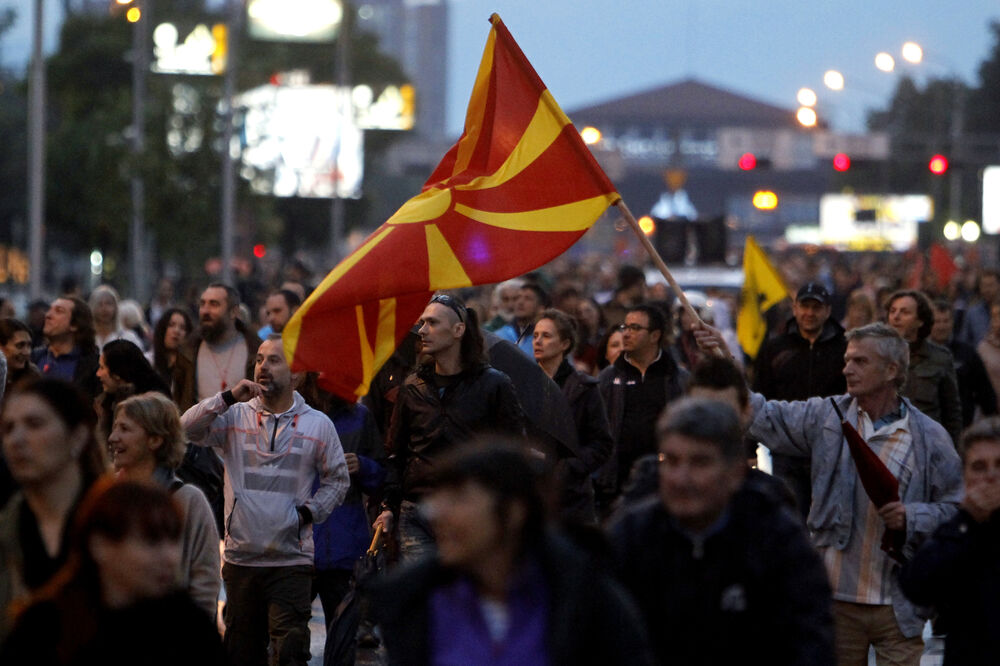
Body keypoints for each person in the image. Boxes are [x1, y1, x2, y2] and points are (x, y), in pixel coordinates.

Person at [696, 321, 962, 665]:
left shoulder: (929, 437)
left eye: (860, 361)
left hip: (899, 605)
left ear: (892, 370)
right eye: (847, 359)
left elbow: (957, 508)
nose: (846, 368)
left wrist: (913, 517)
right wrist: (724, 360)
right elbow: (761, 415)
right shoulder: (828, 416)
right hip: (836, 600)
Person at [368, 439, 656, 666]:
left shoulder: (587, 599)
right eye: (439, 499)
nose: (438, 514)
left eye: (460, 499)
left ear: (514, 511)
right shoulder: (415, 598)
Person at [609, 398, 835, 665]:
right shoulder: (631, 536)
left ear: (735, 472)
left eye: (700, 462)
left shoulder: (776, 539)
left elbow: (810, 641)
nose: (682, 478)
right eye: (671, 461)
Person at [181, 334, 349, 666]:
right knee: (241, 653)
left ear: (297, 374)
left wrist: (306, 514)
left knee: (289, 652)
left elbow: (338, 479)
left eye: (274, 360)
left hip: (290, 561)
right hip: (241, 560)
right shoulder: (234, 417)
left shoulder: (318, 424)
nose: (263, 367)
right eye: (259, 359)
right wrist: (226, 398)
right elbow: (183, 430)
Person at [0, 479, 226, 666]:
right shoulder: (44, 628)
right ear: (100, 545)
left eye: (174, 538)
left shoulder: (188, 627)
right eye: (151, 540)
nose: (169, 556)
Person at [375, 293, 525, 561]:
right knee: (423, 596)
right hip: (418, 510)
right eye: (422, 323)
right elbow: (396, 451)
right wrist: (388, 505)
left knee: (463, 593)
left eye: (432, 323)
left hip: (471, 510)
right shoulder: (413, 387)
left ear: (458, 330)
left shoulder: (493, 385)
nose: (422, 330)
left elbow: (512, 449)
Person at [0, 378, 108, 644]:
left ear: (78, 436)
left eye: (34, 424)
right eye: (8, 428)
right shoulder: (8, 529)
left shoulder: (120, 521)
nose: (17, 439)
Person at [107, 392, 220, 619]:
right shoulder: (105, 494)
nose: (112, 437)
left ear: (155, 440)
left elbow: (205, 582)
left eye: (125, 429)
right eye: (115, 427)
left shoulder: (188, 501)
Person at [899, 417, 1000, 666]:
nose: (991, 477)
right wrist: (966, 521)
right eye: (978, 467)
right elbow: (916, 585)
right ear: (965, 476)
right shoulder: (959, 529)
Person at [753, 282, 847, 518]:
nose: (809, 313)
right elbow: (759, 396)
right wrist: (749, 448)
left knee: (828, 519)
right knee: (790, 516)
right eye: (804, 306)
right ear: (794, 308)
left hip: (831, 449)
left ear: (827, 311)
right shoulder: (775, 349)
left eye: (816, 308)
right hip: (786, 450)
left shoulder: (845, 350)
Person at [597, 303, 688, 502]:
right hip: (616, 482)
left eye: (635, 328)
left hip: (666, 481)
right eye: (625, 327)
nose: (626, 334)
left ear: (655, 336)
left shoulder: (678, 379)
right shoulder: (608, 379)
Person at [533, 308, 613, 524]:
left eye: (547, 336)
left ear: (565, 344)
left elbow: (601, 443)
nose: (538, 341)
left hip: (571, 498)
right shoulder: (522, 385)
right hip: (531, 493)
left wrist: (566, 467)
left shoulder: (584, 388)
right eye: (536, 335)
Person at [886, 289, 963, 445]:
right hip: (886, 447)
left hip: (927, 446)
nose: (896, 317)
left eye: (904, 312)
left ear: (920, 320)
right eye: (893, 311)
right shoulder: (879, 356)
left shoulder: (939, 358)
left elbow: (952, 414)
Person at [174, 283, 259, 410]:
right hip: (199, 428)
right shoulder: (188, 351)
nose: (205, 311)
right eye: (202, 304)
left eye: (214, 304)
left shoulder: (255, 350)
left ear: (233, 312)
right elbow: (179, 399)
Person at [930, 299, 997, 427]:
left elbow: (984, 391)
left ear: (952, 323)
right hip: (928, 428)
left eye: (946, 321)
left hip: (961, 427)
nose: (942, 326)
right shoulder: (916, 354)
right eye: (937, 321)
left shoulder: (967, 353)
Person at [95, 340, 171, 445]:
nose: (98, 373)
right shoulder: (106, 402)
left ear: (117, 373)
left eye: (102, 368)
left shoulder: (155, 402)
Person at [31, 296, 102, 398]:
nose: (48, 315)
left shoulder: (93, 366)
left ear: (75, 324)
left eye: (59, 311)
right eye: (49, 310)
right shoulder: (34, 358)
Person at [147, 306, 193, 400]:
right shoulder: (148, 361)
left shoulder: (191, 365)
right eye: (171, 325)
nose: (176, 331)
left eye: (182, 328)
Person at [495, 282, 549, 357]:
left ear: (541, 308)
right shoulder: (499, 336)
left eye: (528, 298)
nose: (520, 302)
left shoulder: (548, 340)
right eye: (517, 298)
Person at [89, 285, 145, 350]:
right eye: (100, 304)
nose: (104, 309)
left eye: (109, 303)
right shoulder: (87, 337)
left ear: (116, 307)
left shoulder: (128, 337)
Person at [956, 268, 999, 348]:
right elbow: (964, 341)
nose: (987, 290)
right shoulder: (972, 313)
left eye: (991, 285)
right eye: (984, 286)